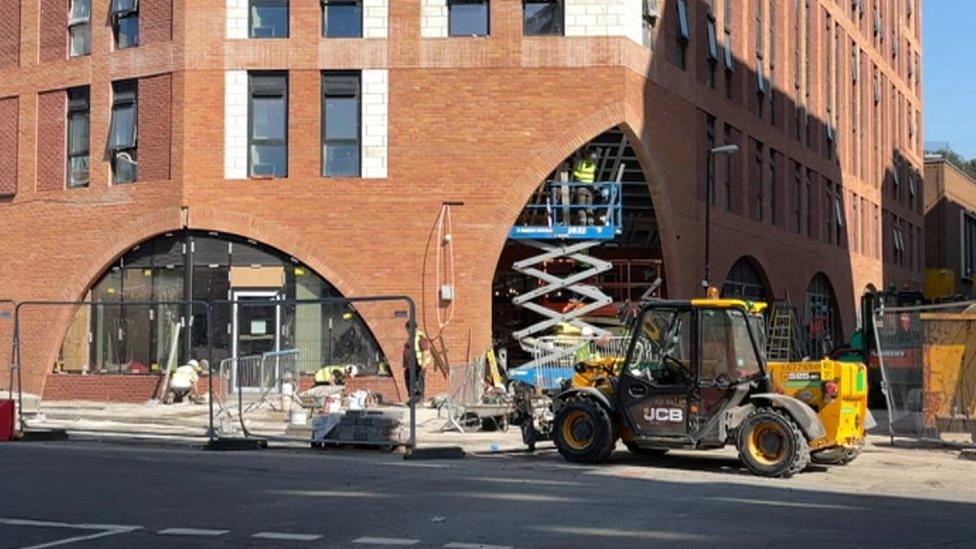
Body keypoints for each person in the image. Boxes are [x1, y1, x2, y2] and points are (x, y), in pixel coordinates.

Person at [402, 324, 431, 402]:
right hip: (410, 365)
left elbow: (425, 351)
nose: (407, 332)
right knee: (408, 379)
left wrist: (424, 364)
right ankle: (412, 398)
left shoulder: (420, 338)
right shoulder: (412, 338)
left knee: (418, 381)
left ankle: (418, 399)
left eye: (408, 330)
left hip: (418, 365)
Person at [572, 150, 598, 225]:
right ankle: (591, 222)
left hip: (581, 188)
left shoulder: (581, 164)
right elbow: (590, 157)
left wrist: (577, 150)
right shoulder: (593, 165)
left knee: (581, 207)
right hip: (590, 189)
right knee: (589, 207)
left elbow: (578, 160)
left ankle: (583, 221)